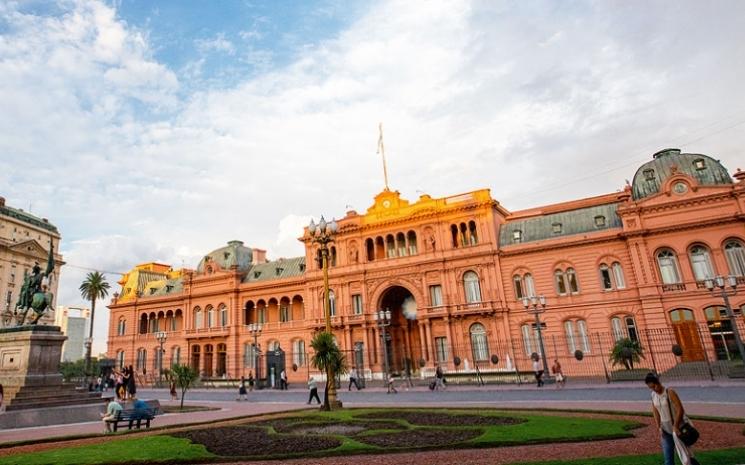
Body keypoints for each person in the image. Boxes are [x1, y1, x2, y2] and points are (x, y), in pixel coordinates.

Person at [646, 373, 700, 465]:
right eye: (651, 388)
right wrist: (658, 426)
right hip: (665, 430)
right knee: (668, 459)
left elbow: (680, 409)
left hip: (678, 428)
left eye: (654, 386)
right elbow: (655, 411)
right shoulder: (653, 395)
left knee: (686, 455)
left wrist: (675, 426)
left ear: (658, 382)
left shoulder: (669, 392)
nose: (654, 389)